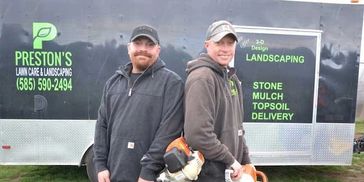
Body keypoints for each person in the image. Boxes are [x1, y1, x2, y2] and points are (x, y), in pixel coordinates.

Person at [93, 25, 184, 182]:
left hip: (151, 177)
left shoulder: (172, 83)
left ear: (158, 50)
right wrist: (100, 165)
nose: (143, 49)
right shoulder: (113, 83)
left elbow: (169, 132)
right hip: (114, 174)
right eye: (138, 43)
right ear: (129, 48)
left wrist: (148, 171)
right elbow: (102, 125)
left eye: (149, 45)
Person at [184, 20, 252, 181]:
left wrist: (246, 161)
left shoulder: (232, 78)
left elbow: (238, 127)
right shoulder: (202, 78)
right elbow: (197, 135)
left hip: (228, 172)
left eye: (230, 43)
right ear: (207, 45)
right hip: (209, 173)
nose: (225, 49)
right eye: (219, 43)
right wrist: (230, 160)